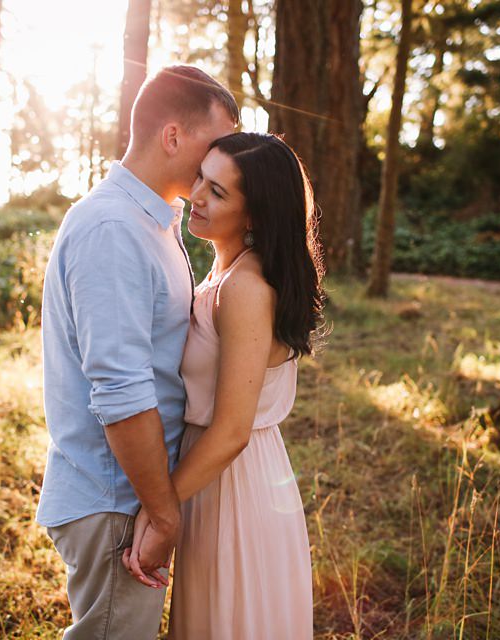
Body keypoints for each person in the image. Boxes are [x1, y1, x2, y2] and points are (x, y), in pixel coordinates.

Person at [34, 66, 238, 639]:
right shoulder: (113, 228)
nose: (220, 159)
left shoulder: (154, 221)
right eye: (213, 142)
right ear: (173, 136)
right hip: (118, 498)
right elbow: (121, 391)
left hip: (134, 492)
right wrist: (163, 510)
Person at [124, 132, 325, 639]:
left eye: (218, 192)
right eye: (201, 180)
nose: (196, 196)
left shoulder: (246, 288)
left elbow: (233, 429)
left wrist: (158, 508)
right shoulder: (222, 272)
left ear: (255, 214)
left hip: (235, 481)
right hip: (209, 475)